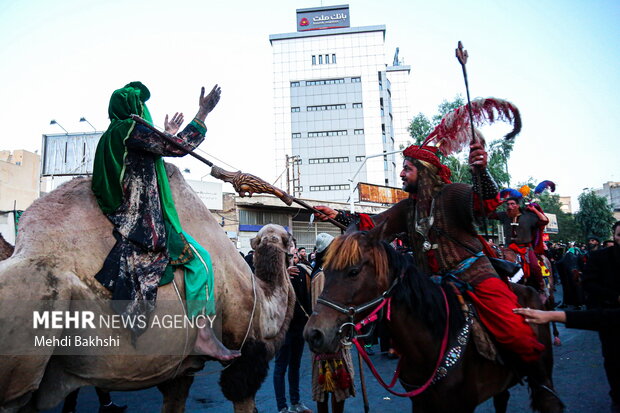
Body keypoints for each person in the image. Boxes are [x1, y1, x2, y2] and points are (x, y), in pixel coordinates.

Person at [314, 141, 546, 371]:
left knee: (513, 329)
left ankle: (538, 379)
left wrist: (481, 171)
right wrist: (338, 215)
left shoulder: (453, 193)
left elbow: (484, 203)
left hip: (473, 274)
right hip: (430, 282)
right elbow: (373, 226)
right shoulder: (407, 208)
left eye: (407, 169)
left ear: (424, 172)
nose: (402, 174)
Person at [92, 82, 238, 360]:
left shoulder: (113, 136)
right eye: (141, 105)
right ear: (134, 108)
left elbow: (158, 149)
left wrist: (165, 135)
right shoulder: (128, 129)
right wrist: (203, 113)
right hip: (145, 220)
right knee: (201, 261)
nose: (144, 110)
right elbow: (179, 148)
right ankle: (204, 336)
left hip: (126, 216)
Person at [309, 233, 355, 413]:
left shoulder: (329, 273)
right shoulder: (321, 276)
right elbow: (320, 311)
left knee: (337, 389)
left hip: (334, 339)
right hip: (328, 342)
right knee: (330, 388)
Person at [581, 221, 620, 413]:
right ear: (614, 236)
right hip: (610, 315)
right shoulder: (599, 258)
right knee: (613, 358)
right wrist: (614, 296)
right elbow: (588, 283)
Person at [273, 240, 313, 413]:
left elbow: (306, 299)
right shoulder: (276, 275)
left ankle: (296, 403)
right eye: (290, 254)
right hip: (283, 329)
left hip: (299, 328)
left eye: (294, 253)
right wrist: (281, 275)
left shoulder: (301, 273)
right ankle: (282, 407)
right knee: (281, 366)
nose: (293, 257)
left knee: (295, 365)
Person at [490, 197, 549, 292]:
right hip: (509, 248)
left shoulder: (528, 216)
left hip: (525, 248)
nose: (510, 206)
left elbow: (544, 220)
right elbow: (490, 215)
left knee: (534, 266)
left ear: (518, 205)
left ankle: (542, 288)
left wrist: (534, 210)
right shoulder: (505, 215)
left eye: (512, 204)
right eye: (508, 204)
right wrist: (497, 203)